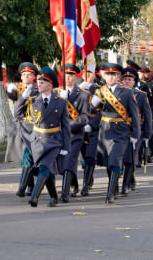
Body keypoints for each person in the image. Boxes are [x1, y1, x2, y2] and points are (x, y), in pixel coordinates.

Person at [14, 66, 71, 207]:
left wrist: (66, 146)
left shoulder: (60, 102)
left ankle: (34, 197)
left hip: (53, 142)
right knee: (44, 170)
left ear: (51, 84)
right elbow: (17, 114)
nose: (38, 84)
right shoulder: (33, 100)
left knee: (44, 167)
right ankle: (54, 197)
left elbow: (66, 126)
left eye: (42, 82)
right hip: (37, 141)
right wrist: (23, 97)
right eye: (38, 82)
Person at [90, 63, 140, 203]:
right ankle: (115, 186)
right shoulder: (100, 91)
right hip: (105, 130)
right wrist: (93, 104)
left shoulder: (127, 92)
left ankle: (110, 193)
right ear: (104, 76)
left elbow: (135, 115)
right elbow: (91, 111)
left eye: (114, 74)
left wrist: (135, 135)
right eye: (108, 74)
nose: (111, 77)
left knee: (115, 161)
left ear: (118, 76)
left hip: (121, 131)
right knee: (107, 163)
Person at [5, 62, 39, 197]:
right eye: (24, 75)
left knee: (28, 156)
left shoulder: (38, 89)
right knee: (23, 158)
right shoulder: (18, 88)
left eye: (29, 75)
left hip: (33, 128)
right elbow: (13, 98)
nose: (26, 77)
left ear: (34, 77)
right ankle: (30, 185)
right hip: (20, 127)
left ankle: (24, 187)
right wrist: (9, 91)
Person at [57, 64, 90, 202]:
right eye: (65, 75)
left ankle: (64, 193)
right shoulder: (56, 93)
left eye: (71, 75)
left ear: (76, 77)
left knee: (70, 159)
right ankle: (74, 183)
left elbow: (84, 117)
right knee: (62, 162)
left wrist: (68, 126)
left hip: (75, 134)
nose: (68, 77)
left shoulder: (82, 94)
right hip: (58, 135)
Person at [120, 67, 152, 195]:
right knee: (121, 158)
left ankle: (125, 184)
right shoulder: (117, 93)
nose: (127, 81)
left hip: (136, 130)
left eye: (130, 79)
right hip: (120, 130)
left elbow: (148, 116)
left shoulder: (141, 95)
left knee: (131, 158)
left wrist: (147, 135)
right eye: (125, 79)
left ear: (134, 81)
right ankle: (130, 178)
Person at [79, 63, 102, 196]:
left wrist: (92, 124)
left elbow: (102, 112)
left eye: (90, 73)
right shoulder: (77, 88)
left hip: (94, 128)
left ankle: (85, 185)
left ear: (95, 74)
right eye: (85, 73)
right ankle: (89, 176)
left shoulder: (100, 89)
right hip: (80, 126)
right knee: (83, 156)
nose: (87, 75)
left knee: (90, 156)